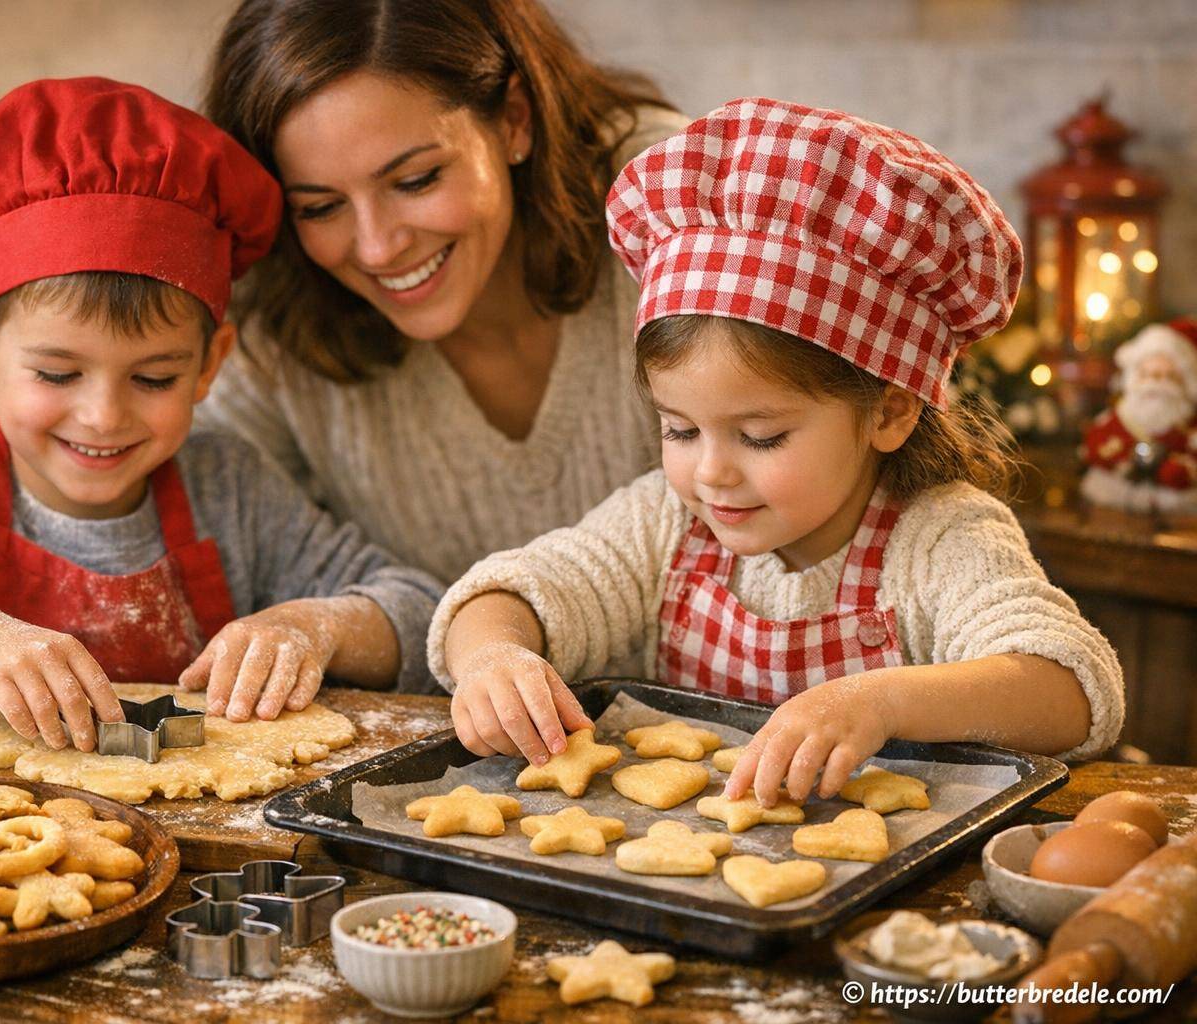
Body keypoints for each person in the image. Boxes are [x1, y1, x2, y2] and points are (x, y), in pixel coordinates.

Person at [431, 98, 1125, 807]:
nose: (711, 473)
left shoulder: (941, 538)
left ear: (889, 411)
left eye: (760, 436)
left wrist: (876, 702)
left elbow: (1070, 687)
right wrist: (493, 655)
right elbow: (515, 589)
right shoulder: (664, 523)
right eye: (679, 430)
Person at [0, 78, 442, 751]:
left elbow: (416, 611)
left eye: (154, 377)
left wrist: (312, 625)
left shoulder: (230, 489)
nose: (102, 415)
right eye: (58, 373)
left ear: (209, 363)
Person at [199, 0, 687, 601]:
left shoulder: (674, 204)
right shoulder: (271, 308)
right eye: (320, 208)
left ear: (513, 120)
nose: (378, 248)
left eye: (415, 180)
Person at [1080, 319, 1197, 515]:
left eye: (1168, 376)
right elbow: (1095, 445)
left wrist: (1178, 472)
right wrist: (1124, 462)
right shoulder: (1120, 417)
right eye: (1148, 374)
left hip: (1178, 513)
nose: (1155, 384)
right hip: (1114, 504)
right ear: (1134, 377)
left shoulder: (1188, 426)